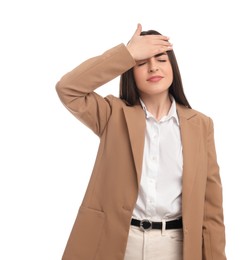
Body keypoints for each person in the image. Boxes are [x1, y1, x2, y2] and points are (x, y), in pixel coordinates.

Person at [56, 23, 226, 260]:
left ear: (173, 68)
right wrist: (126, 54)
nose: (153, 67)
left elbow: (211, 208)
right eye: (142, 62)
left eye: (161, 60)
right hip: (118, 243)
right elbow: (68, 89)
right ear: (129, 70)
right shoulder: (112, 114)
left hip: (176, 245)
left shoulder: (201, 125)